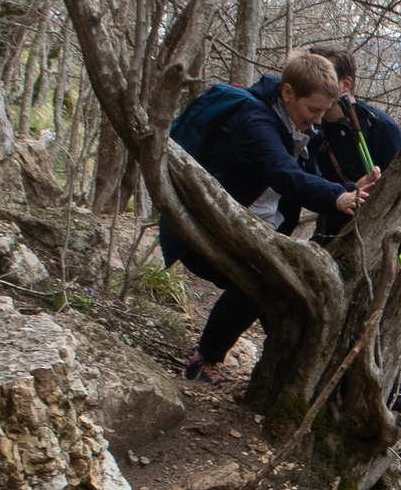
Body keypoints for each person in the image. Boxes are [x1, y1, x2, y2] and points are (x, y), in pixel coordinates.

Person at [158, 49, 378, 382]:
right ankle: (204, 361)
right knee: (267, 279)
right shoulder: (253, 120)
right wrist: (337, 196)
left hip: (248, 229)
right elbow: (284, 174)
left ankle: (275, 373)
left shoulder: (297, 126)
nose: (318, 119)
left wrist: (349, 188)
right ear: (288, 92)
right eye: (313, 109)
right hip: (205, 229)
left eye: (323, 111)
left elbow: (310, 175)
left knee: (286, 290)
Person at [306, 46, 401, 243]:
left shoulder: (379, 127)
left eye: (322, 77)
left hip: (378, 238)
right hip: (330, 235)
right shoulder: (310, 127)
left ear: (345, 84)